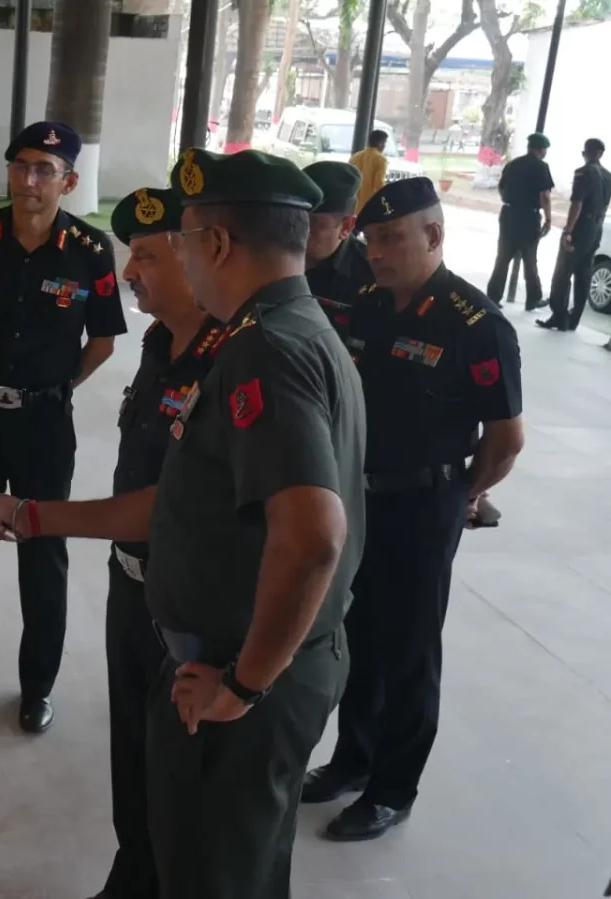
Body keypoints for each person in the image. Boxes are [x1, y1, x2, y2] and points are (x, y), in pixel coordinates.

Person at [0, 148, 366, 899]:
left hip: (240, 667)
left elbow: (314, 536)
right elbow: (193, 499)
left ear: (211, 245)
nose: (144, 269)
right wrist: (33, 515)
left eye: (173, 244)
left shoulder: (263, 351)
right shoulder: (295, 328)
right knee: (209, 855)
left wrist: (241, 685)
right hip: (229, 647)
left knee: (216, 872)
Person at [302, 177, 525, 841]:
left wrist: (462, 494)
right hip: (357, 498)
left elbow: (506, 438)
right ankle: (352, 759)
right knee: (358, 633)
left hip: (425, 504)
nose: (378, 251)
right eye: (372, 239)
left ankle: (393, 788)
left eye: (394, 238)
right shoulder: (364, 306)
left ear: (434, 235)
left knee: (409, 649)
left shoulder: (476, 324)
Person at [0, 120, 128, 734]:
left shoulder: (91, 251)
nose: (30, 180)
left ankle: (36, 686)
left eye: (45, 170)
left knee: (43, 551)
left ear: (68, 181)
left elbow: (101, 341)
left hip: (45, 422)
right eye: (21, 166)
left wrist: (57, 388)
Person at [91, 187, 220, 899]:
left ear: (196, 253)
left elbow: (168, 507)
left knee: (182, 769)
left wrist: (37, 516)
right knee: (130, 748)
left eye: (145, 254)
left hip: (187, 600)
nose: (129, 272)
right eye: (128, 255)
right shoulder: (154, 344)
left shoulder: (231, 356)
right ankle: (131, 874)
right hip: (128, 583)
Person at [538, 137, 611, 331]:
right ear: (601, 154)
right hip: (596, 228)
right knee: (583, 273)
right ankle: (574, 319)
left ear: (585, 153)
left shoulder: (583, 173)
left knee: (562, 273)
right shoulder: (608, 176)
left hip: (581, 227)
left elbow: (577, 204)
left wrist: (568, 231)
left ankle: (559, 316)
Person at [303, 161, 372, 339]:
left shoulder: (371, 275)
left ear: (346, 227)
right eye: (293, 218)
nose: (295, 229)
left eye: (310, 223)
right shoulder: (271, 257)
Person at [487, 132, 554, 311]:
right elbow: (545, 196)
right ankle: (533, 298)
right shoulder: (541, 167)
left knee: (502, 258)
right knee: (530, 259)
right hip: (528, 217)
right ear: (541, 150)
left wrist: (511, 202)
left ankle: (493, 297)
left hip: (508, 214)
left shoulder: (512, 164)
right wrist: (548, 218)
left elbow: (501, 188)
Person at [350, 130, 388, 214]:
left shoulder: (355, 157)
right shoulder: (381, 159)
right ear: (380, 143)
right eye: (384, 143)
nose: (384, 146)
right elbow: (379, 184)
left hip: (353, 206)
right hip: (369, 206)